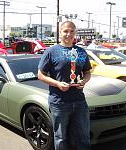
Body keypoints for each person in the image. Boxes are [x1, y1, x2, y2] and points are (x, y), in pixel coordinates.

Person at [38, 21, 92, 150]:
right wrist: (57, 84)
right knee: (61, 138)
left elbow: (87, 73)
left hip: (79, 101)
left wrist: (84, 81)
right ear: (60, 32)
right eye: (66, 31)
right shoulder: (51, 51)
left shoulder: (81, 52)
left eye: (72, 31)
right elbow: (40, 75)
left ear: (75, 33)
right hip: (59, 102)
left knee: (83, 136)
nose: (69, 34)